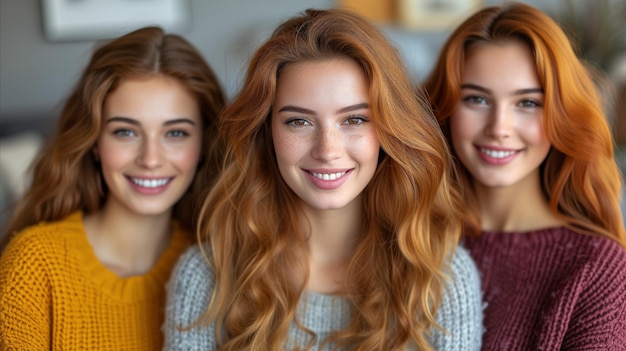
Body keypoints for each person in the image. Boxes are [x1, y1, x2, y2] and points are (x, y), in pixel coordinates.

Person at [164, 8, 482, 351]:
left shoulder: (441, 278)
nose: (327, 150)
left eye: (354, 120)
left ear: (389, 129)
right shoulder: (207, 277)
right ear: (265, 132)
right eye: (299, 122)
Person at [0, 26, 226, 350]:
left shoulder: (217, 267)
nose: (150, 159)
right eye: (126, 132)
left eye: (175, 133)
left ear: (205, 143)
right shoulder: (34, 265)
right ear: (94, 141)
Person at [423, 2, 626, 349]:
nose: (499, 128)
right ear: (445, 108)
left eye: (528, 103)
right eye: (476, 99)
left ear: (561, 115)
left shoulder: (597, 268)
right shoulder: (408, 239)